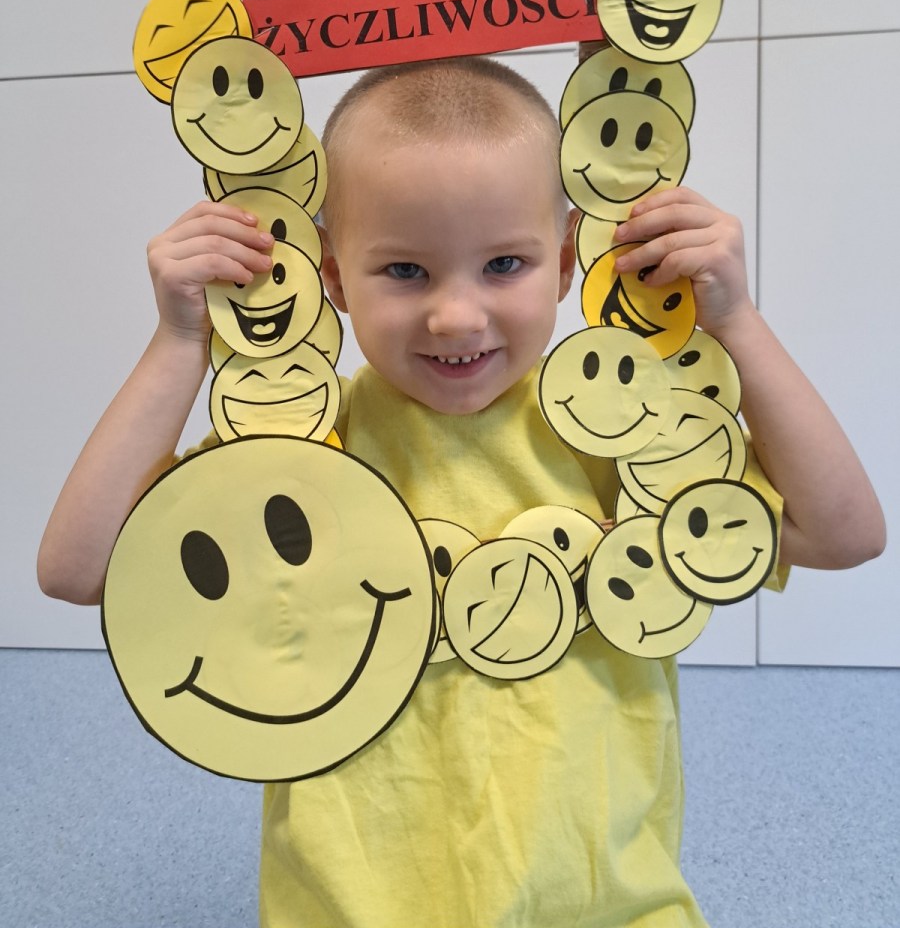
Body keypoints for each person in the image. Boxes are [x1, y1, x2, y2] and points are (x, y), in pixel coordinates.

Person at [38, 56, 885, 927]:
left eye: (504, 264)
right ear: (332, 276)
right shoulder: (293, 447)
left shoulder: (619, 431)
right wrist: (179, 342)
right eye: (405, 271)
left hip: (607, 911)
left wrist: (736, 321)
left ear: (567, 262)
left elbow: (842, 534)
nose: (457, 317)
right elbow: (80, 569)